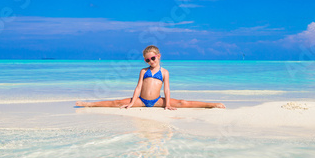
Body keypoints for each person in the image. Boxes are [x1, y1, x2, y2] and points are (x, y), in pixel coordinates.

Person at [76, 45, 226, 110]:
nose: (150, 61)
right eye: (147, 60)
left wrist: (166, 104)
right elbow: (138, 88)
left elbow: (167, 89)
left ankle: (212, 104)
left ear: (158, 56)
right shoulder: (143, 71)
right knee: (117, 102)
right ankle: (88, 104)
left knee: (182, 102)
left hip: (157, 101)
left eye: (152, 58)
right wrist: (132, 103)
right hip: (141, 101)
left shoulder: (165, 72)